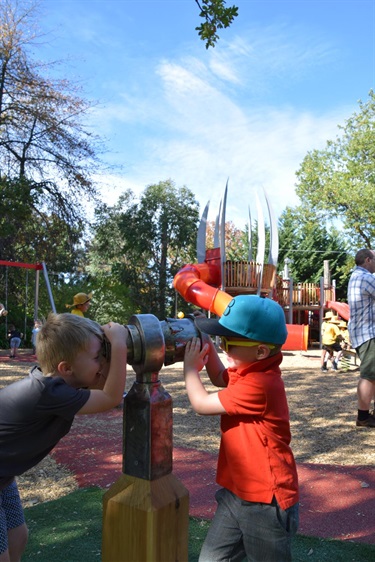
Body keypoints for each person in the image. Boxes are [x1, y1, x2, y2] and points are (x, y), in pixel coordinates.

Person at [0, 313, 128, 561]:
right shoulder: (49, 391)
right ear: (66, 368)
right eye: (96, 358)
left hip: (3, 477)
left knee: (18, 536)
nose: (101, 363)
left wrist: (108, 355)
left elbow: (105, 389)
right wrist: (120, 344)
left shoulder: (61, 385)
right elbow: (110, 397)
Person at [183, 295, 299, 562]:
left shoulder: (260, 384)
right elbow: (217, 377)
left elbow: (201, 403)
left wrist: (190, 370)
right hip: (236, 491)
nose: (223, 348)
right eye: (220, 341)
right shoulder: (248, 369)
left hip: (264, 500)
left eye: (229, 343)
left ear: (260, 351)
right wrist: (207, 346)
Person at [347, 248, 375, 428]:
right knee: (369, 375)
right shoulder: (366, 278)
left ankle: (366, 415)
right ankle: (363, 417)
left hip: (360, 332)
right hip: (369, 332)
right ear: (368, 260)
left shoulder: (356, 276)